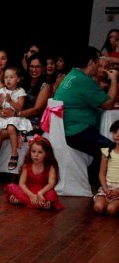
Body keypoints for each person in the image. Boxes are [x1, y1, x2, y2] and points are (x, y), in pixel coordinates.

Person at [54, 46, 118, 187]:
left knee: (101, 148)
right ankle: (102, 185)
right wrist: (114, 80)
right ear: (91, 62)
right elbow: (108, 104)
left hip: (68, 128)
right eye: (97, 61)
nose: (99, 64)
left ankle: (95, 183)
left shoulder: (73, 75)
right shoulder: (83, 80)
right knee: (110, 149)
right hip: (76, 130)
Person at [0, 54, 51, 172]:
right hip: (15, 116)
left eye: (37, 67)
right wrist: (3, 110)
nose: (34, 69)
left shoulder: (45, 86)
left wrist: (15, 114)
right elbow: (6, 92)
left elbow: (37, 109)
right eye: (31, 66)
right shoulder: (24, 81)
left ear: (44, 68)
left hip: (32, 120)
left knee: (0, 133)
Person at [5, 135, 64, 210]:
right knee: (11, 187)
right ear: (30, 152)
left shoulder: (50, 167)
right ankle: (41, 203)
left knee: (51, 194)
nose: (36, 155)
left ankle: (24, 201)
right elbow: (22, 183)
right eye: (33, 151)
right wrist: (31, 195)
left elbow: (51, 184)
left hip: (43, 192)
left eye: (40, 152)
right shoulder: (26, 166)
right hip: (28, 192)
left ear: (47, 154)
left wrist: (40, 193)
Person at [93, 121, 119, 216]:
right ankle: (108, 201)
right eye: (115, 132)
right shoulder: (107, 152)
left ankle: (113, 204)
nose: (117, 135)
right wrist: (105, 188)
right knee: (98, 207)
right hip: (108, 187)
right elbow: (101, 174)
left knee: (111, 210)